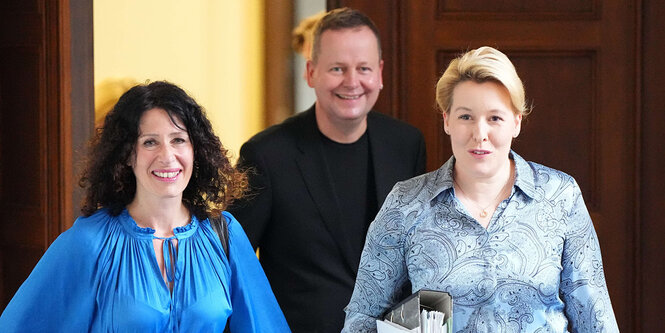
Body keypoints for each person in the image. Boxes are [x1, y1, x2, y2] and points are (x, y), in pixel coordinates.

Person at [343, 46, 619, 332]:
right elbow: (361, 318)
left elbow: (595, 317)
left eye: (495, 118)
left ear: (516, 122)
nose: (480, 134)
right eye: (466, 117)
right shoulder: (406, 203)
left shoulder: (560, 195)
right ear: (446, 120)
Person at [0, 81, 290, 332]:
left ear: (196, 150)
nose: (167, 156)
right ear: (127, 155)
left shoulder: (224, 235)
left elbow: (265, 326)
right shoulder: (89, 243)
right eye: (150, 142)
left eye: (179, 140)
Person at [228, 7, 426, 332]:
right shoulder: (265, 155)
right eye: (337, 68)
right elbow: (231, 267)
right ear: (311, 73)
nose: (352, 82)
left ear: (379, 73)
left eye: (363, 68)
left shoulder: (406, 144)